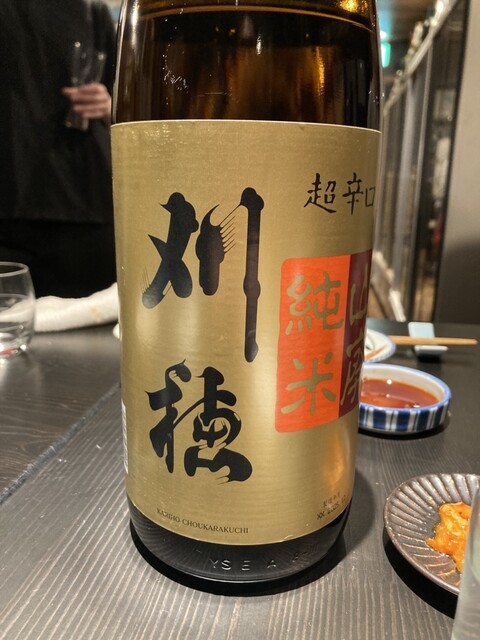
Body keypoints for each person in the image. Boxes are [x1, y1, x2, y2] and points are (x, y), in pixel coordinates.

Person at [0, 0, 117, 298]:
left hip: (83, 206)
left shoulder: (93, 12)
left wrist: (109, 106)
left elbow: (129, 108)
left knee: (93, 323)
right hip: (12, 206)